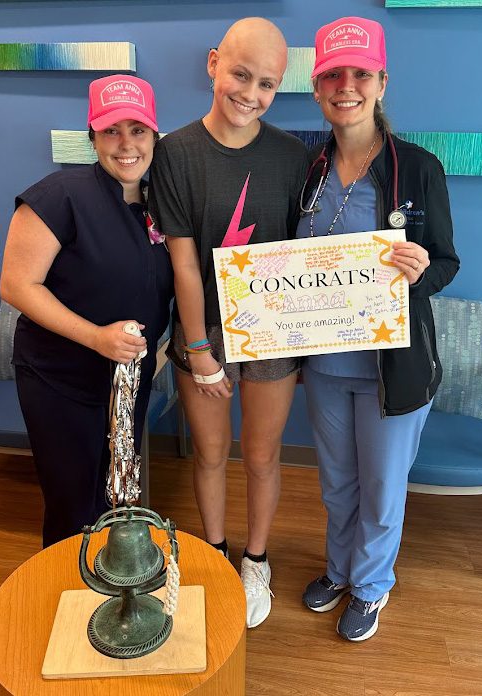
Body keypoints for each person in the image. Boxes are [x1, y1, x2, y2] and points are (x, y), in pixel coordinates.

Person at [297, 16, 459, 641]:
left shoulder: (417, 167)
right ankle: (339, 570)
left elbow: (445, 261)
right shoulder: (307, 169)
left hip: (392, 366)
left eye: (360, 73)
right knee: (337, 483)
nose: (346, 85)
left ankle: (370, 586)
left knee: (384, 487)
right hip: (324, 364)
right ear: (317, 89)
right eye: (333, 75)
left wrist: (420, 272)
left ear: (382, 82)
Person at [148, 17, 309, 628]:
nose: (251, 93)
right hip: (203, 331)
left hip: (272, 330)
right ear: (213, 64)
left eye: (267, 84)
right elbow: (183, 262)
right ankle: (213, 553)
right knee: (211, 454)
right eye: (241, 74)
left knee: (263, 457)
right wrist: (197, 348)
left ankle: (256, 558)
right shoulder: (175, 152)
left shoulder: (294, 157)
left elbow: (306, 257)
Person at [0, 75, 173, 548]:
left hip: (126, 382)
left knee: (115, 497)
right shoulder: (59, 195)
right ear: (91, 136)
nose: (125, 145)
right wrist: (96, 337)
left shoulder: (162, 201)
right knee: (72, 505)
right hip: (60, 380)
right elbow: (17, 285)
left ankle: (108, 591)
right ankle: (67, 593)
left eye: (137, 131)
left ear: (154, 136)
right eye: (110, 131)